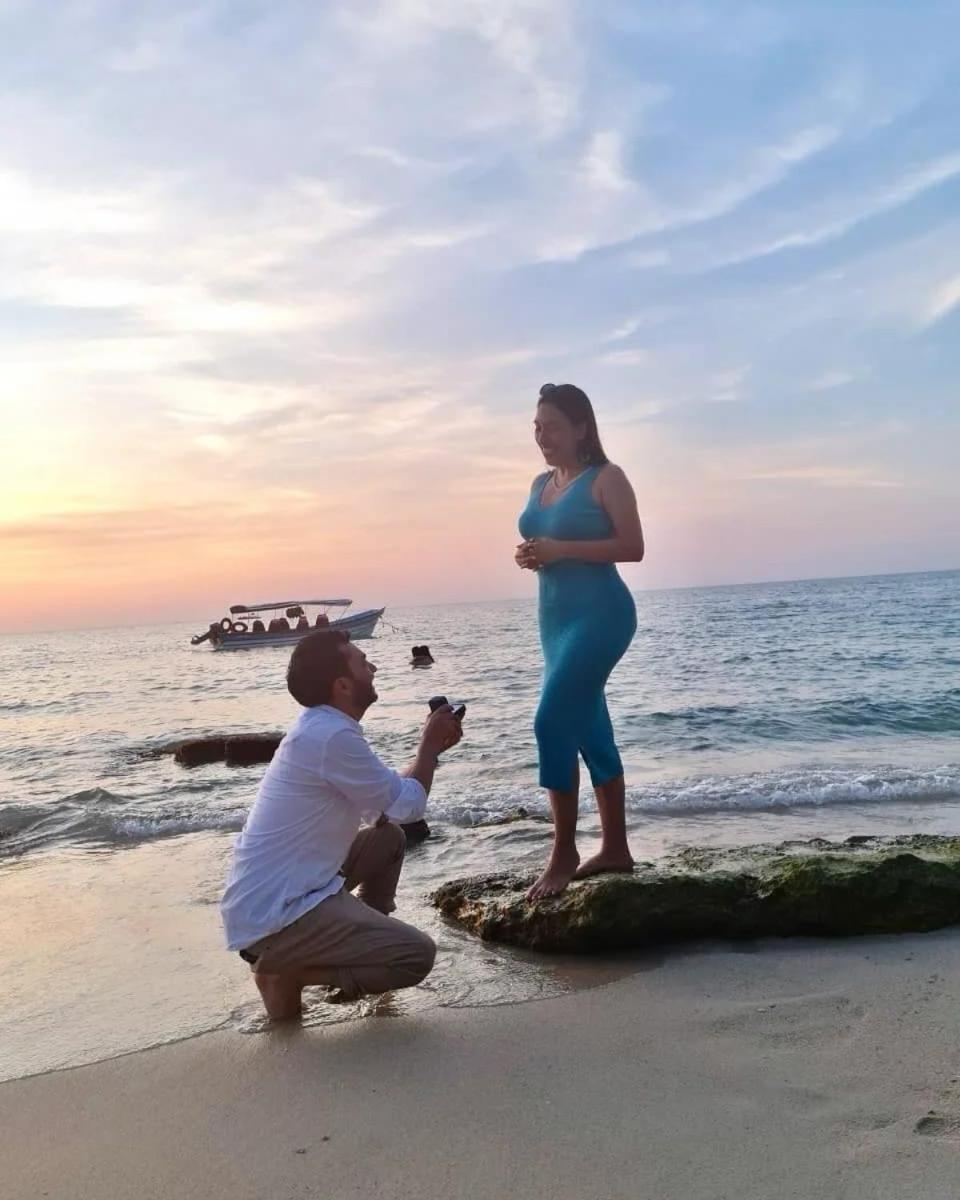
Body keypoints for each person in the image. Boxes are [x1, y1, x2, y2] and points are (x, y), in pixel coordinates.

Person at [220, 629, 463, 1019]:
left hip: (284, 893)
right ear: (343, 685)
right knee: (415, 956)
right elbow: (410, 806)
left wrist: (430, 752)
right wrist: (429, 746)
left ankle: (356, 941)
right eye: (363, 662)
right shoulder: (330, 736)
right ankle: (284, 971)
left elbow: (387, 808)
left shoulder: (322, 728)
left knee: (388, 838)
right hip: (278, 913)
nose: (374, 667)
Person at [516, 382, 644, 901]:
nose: (542, 436)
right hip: (554, 620)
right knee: (588, 724)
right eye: (537, 427)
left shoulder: (608, 478)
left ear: (581, 428)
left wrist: (560, 549)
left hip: (602, 616)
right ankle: (615, 848)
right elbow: (546, 544)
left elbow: (633, 547)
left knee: (550, 720)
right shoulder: (540, 483)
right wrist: (532, 554)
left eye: (552, 427)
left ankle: (563, 852)